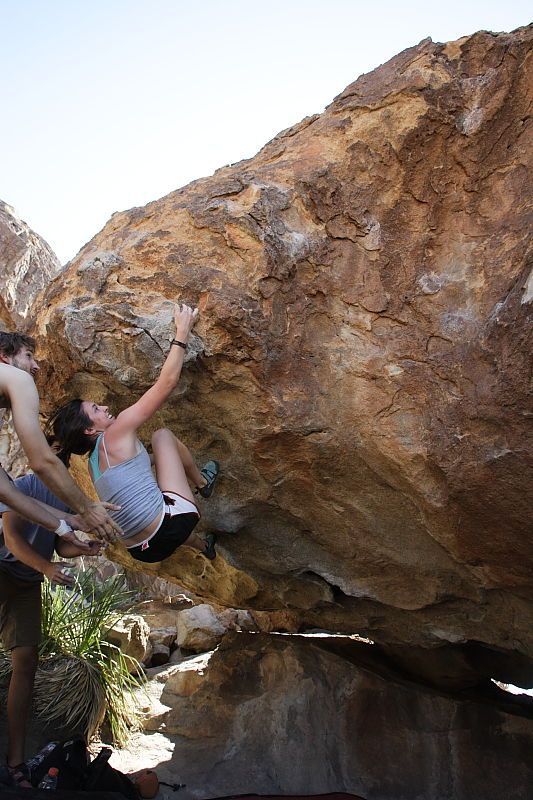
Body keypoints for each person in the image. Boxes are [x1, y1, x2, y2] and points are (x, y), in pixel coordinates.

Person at [47, 303, 220, 563]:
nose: (104, 407)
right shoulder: (116, 431)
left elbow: (138, 466)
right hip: (172, 523)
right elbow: (166, 384)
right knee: (162, 436)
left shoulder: (94, 464)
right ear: (90, 429)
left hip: (142, 551)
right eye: (96, 409)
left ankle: (203, 546)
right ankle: (203, 484)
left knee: (158, 517)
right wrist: (182, 330)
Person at [0, 473, 104, 788]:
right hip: (3, 568)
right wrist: (46, 568)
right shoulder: (26, 486)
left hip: (27, 581)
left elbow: (59, 544)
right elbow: (12, 539)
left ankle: (15, 762)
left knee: (27, 659)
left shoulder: (66, 495)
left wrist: (84, 549)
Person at [0, 332, 121, 542]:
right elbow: (42, 461)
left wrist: (67, 523)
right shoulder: (17, 378)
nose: (36, 367)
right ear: (4, 356)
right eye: (28, 356)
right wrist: (88, 508)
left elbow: (6, 493)